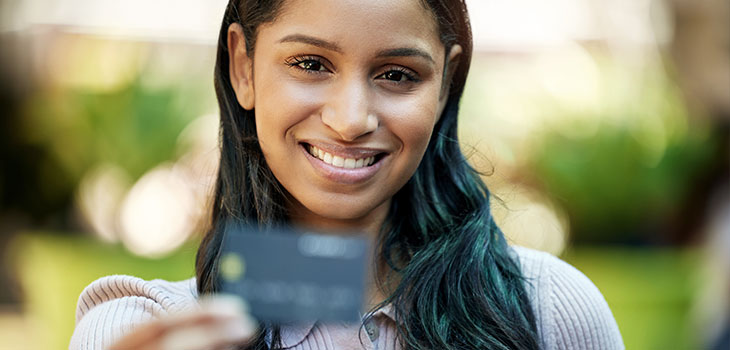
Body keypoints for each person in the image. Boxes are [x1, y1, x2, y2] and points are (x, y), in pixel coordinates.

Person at [70, 0, 624, 349]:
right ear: (244, 67)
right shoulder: (135, 328)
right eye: (310, 64)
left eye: (397, 74)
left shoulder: (548, 308)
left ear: (446, 83)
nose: (351, 119)